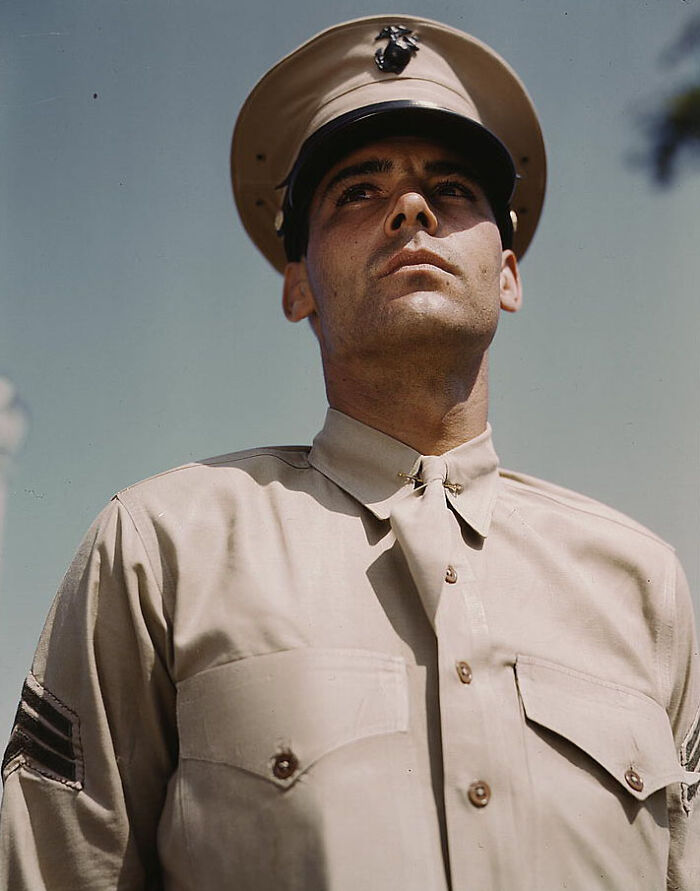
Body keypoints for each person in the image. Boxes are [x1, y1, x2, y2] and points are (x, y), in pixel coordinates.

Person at [1, 14, 698, 890]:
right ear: (297, 281)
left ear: (509, 273)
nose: (412, 208)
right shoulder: (159, 552)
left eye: (452, 189)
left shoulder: (643, 588)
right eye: (358, 191)